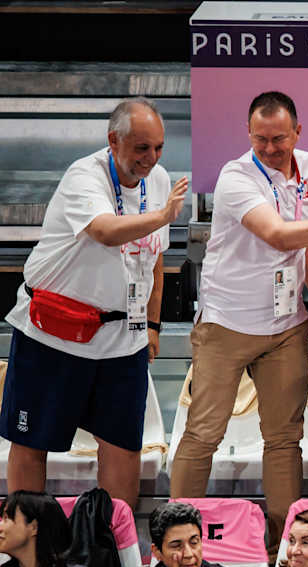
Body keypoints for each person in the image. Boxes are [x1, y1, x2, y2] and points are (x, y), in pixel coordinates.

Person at [169, 91, 308, 546]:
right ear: (248, 135)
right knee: (203, 434)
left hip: (285, 326)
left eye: (280, 138)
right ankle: (173, 541)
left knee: (283, 438)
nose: (272, 149)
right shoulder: (236, 177)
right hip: (226, 325)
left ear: (298, 132)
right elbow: (278, 235)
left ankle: (285, 548)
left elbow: (305, 238)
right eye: (261, 140)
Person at [1, 97, 188, 508]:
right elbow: (105, 230)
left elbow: (155, 260)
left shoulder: (159, 182)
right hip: (54, 333)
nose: (151, 159)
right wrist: (161, 216)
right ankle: (27, 546)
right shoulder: (83, 176)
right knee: (31, 442)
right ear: (113, 141)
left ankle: (113, 551)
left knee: (124, 447)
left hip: (123, 339)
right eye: (141, 148)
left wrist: (152, 326)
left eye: (158, 147)